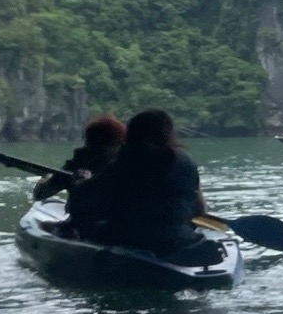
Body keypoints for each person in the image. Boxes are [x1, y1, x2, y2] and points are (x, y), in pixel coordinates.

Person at [68, 108, 221, 264]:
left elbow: (81, 203)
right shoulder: (185, 161)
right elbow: (200, 210)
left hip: (126, 239)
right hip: (178, 240)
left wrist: (80, 181)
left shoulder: (125, 162)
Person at [38, 114, 124, 198]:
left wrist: (46, 178)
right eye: (120, 143)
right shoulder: (121, 165)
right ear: (109, 145)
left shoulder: (76, 165)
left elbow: (40, 193)